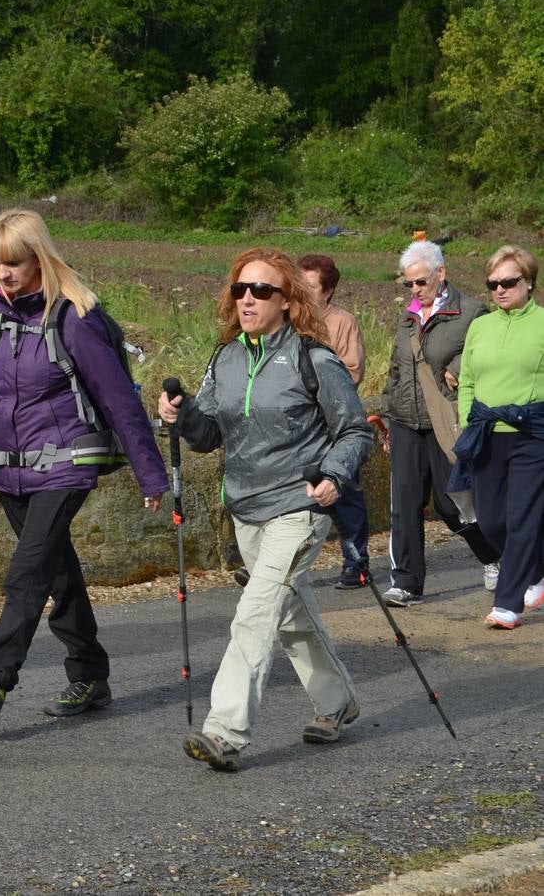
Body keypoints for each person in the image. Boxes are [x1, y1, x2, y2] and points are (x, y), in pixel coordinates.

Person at [0, 209, 168, 734]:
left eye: (14, 262)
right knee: (55, 570)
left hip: (68, 463)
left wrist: (152, 475)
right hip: (11, 466)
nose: (3, 273)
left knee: (27, 572)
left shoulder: (74, 316)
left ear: (40, 259)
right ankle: (91, 674)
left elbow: (118, 398)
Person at [158, 247, 371, 772]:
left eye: (262, 291)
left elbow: (355, 431)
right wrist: (179, 417)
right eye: (240, 289)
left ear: (287, 301)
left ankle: (225, 730)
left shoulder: (313, 358)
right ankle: (339, 701)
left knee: (254, 615)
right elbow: (208, 436)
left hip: (298, 507)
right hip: (245, 507)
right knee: (291, 616)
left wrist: (334, 475)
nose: (248, 298)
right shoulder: (225, 358)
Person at [379, 240, 500, 608]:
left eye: (420, 282)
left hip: (445, 420)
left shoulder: (472, 312)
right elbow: (396, 370)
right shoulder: (407, 318)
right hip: (404, 421)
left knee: (452, 505)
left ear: (441, 273)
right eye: (408, 284)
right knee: (405, 503)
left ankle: (494, 554)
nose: (414, 290)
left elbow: (489, 350)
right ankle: (406, 582)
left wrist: (459, 367)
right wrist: (385, 416)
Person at [454, 245, 544, 630]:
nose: (500, 290)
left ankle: (508, 604)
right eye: (493, 284)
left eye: (509, 282)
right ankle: (536, 570)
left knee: (522, 517)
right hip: (487, 433)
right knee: (490, 522)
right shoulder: (481, 325)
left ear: (529, 283)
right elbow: (468, 380)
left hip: (532, 435)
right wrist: (466, 421)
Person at [299, 254, 371, 589]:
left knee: (346, 496)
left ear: (327, 292)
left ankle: (356, 562)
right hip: (300, 427)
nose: (301, 291)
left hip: (335, 423)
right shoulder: (289, 321)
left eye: (310, 286)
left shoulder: (342, 322)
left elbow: (353, 370)